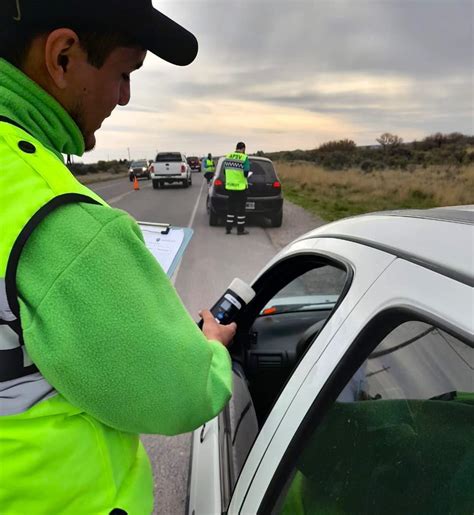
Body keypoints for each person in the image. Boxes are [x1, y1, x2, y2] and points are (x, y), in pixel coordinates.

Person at [0, 2, 236, 513]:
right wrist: (212, 350)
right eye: (124, 73)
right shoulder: (58, 219)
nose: (125, 97)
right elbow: (178, 391)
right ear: (62, 57)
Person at [224, 141, 251, 235]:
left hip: (230, 187)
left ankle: (228, 228)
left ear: (236, 148)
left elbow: (224, 172)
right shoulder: (244, 158)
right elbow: (246, 173)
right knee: (241, 209)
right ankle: (240, 230)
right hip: (241, 188)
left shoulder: (228, 157)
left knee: (230, 208)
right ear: (243, 149)